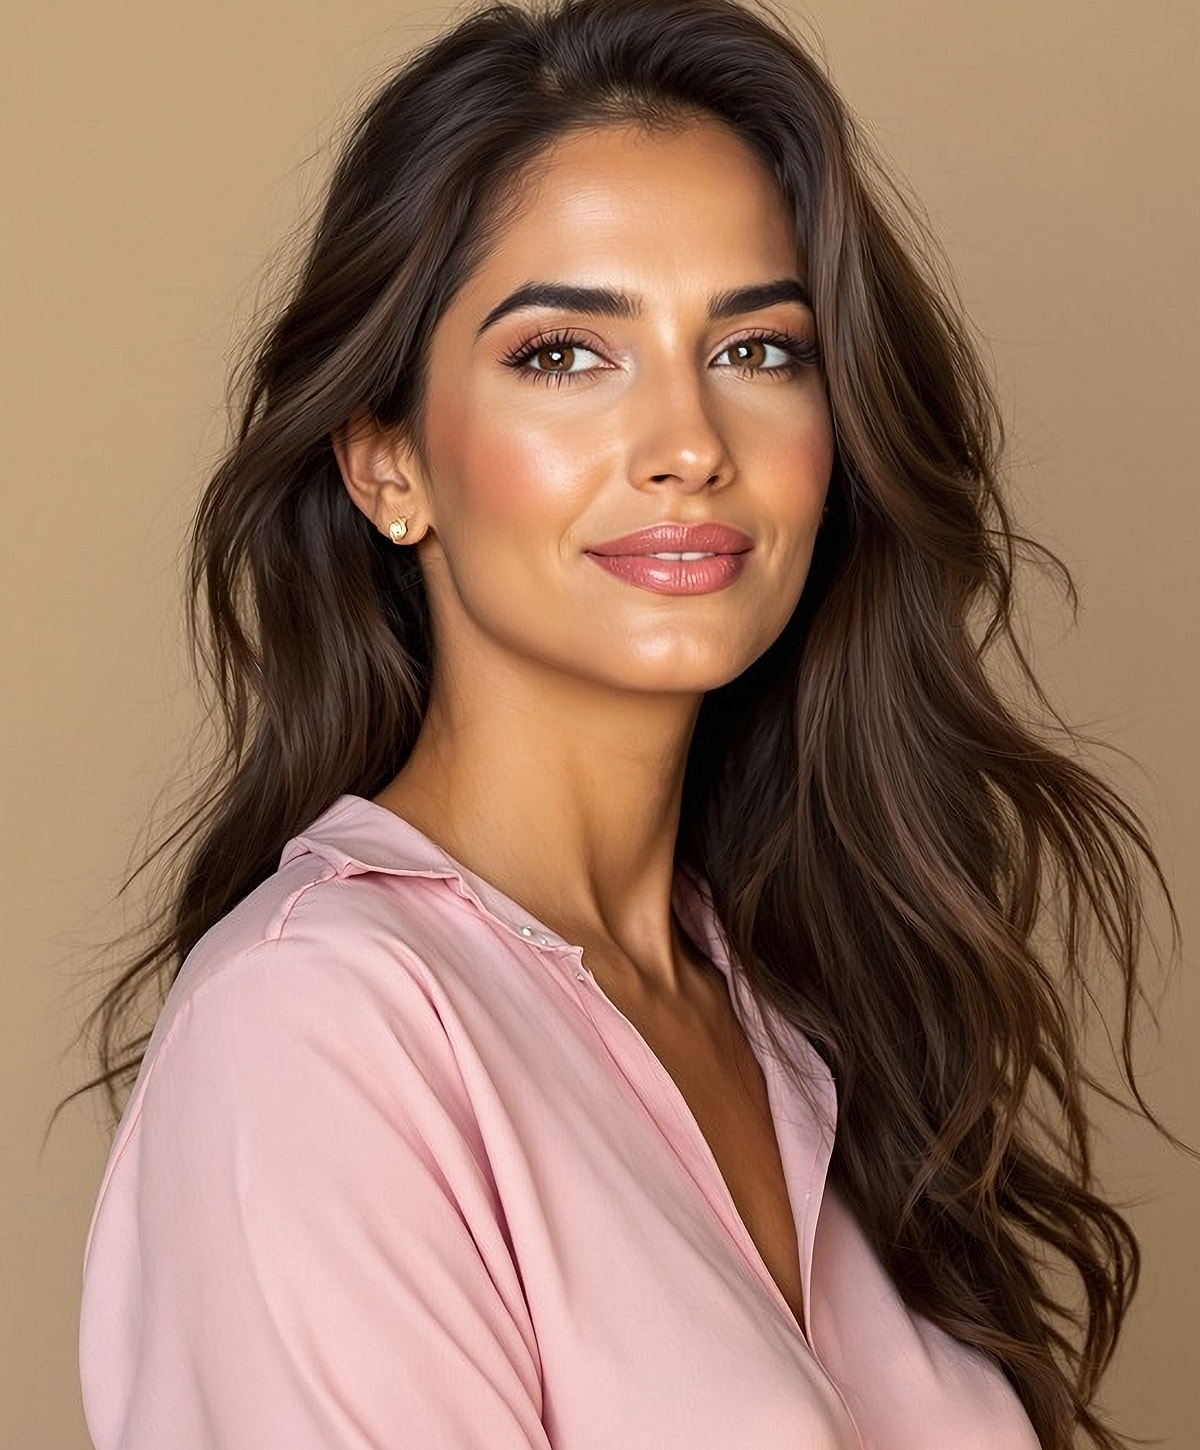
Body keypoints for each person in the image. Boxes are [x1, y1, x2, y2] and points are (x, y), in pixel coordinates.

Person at [74, 0, 1177, 1446]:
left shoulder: (797, 1001)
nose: (688, 445)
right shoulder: (319, 1031)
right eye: (562, 355)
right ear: (388, 461)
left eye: (760, 351)